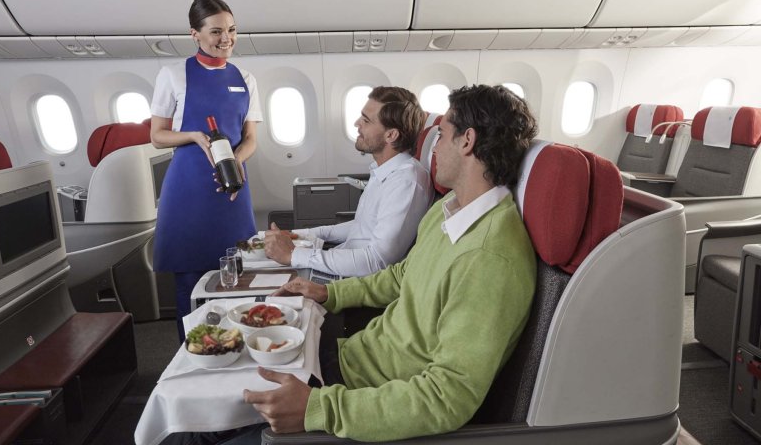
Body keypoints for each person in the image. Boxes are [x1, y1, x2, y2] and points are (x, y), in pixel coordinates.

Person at [161, 84, 537, 444]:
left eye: (441, 134)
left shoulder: (489, 260)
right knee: (211, 390)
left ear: (467, 141)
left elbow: (445, 398)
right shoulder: (449, 210)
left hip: (361, 392)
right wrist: (328, 292)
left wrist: (319, 408)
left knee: (195, 429)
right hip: (353, 358)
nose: (433, 145)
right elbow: (401, 276)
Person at [150, 0, 262, 342]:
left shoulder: (245, 78)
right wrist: (193, 136)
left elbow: (250, 138)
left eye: (231, 30)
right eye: (215, 31)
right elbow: (157, 136)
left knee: (237, 273)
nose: (226, 38)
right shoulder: (172, 75)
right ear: (195, 34)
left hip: (232, 184)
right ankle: (194, 352)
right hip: (188, 187)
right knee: (190, 278)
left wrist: (237, 162)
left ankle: (236, 347)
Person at [263, 86, 433, 279]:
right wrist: (300, 234)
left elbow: (377, 261)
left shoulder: (405, 182)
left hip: (358, 281)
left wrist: (294, 255)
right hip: (345, 267)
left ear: (391, 135)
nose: (356, 123)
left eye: (366, 121)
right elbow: (361, 227)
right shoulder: (384, 171)